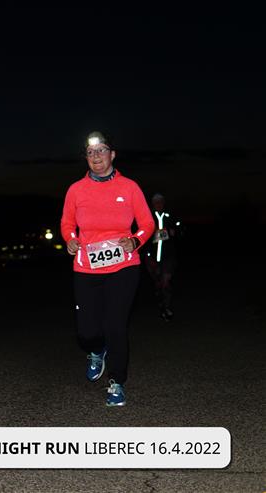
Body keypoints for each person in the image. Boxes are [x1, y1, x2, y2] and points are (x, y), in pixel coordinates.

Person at [60, 131, 154, 406]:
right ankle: (96, 349)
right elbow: (67, 223)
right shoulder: (76, 190)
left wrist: (135, 241)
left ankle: (116, 382)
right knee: (86, 332)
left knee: (115, 324)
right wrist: (70, 239)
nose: (96, 156)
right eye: (91, 152)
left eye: (101, 150)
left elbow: (147, 223)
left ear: (112, 154)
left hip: (123, 266)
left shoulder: (130, 187)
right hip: (86, 268)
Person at [143, 193, 181, 321]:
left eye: (160, 201)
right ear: (152, 204)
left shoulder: (170, 215)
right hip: (152, 256)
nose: (158, 204)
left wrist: (173, 230)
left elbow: (179, 228)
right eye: (156, 202)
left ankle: (167, 308)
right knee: (158, 282)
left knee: (166, 282)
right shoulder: (147, 216)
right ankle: (161, 302)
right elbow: (141, 234)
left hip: (168, 256)